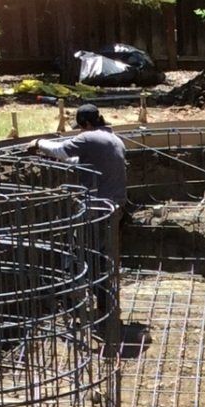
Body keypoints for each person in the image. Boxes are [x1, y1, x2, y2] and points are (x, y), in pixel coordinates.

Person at [38, 103, 127, 343]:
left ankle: (100, 307)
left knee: (88, 258)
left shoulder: (87, 137)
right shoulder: (112, 138)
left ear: (86, 124)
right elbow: (84, 163)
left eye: (80, 127)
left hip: (98, 208)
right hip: (115, 207)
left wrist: (38, 144)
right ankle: (105, 305)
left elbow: (60, 150)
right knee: (102, 256)